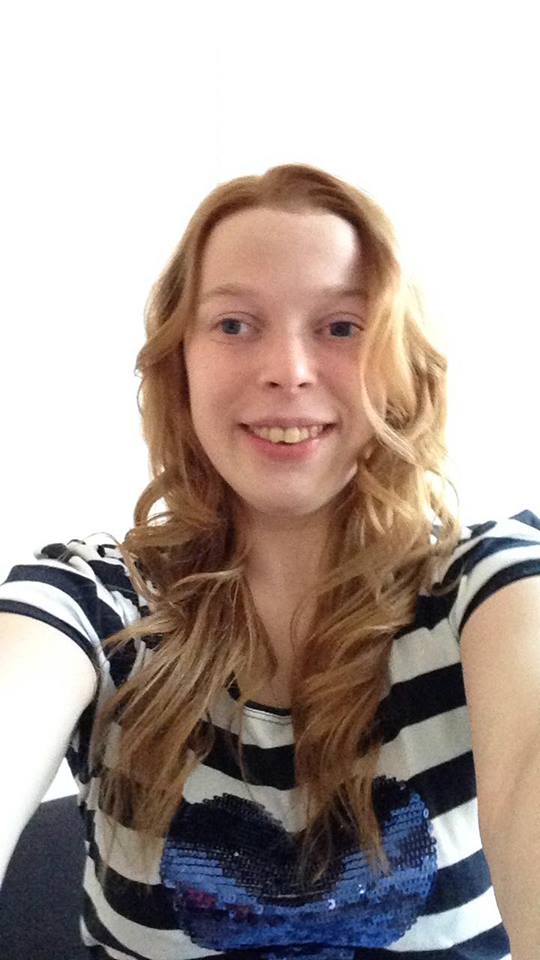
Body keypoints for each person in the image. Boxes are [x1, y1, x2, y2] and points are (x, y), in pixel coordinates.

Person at [0, 162, 539, 960]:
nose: (287, 369)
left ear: (399, 363)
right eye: (234, 324)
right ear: (179, 363)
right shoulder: (94, 600)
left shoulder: (490, 585)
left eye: (342, 326)